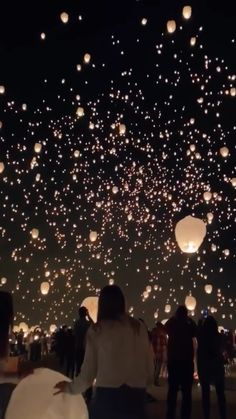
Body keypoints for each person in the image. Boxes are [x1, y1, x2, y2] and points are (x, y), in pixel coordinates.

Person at [54, 285, 154, 419]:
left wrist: (69, 388)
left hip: (108, 397)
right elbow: (149, 366)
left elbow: (88, 375)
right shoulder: (139, 327)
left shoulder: (98, 330)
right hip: (137, 398)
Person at [165, 305, 197, 419]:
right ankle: (185, 415)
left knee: (172, 390)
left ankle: (170, 414)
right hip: (186, 363)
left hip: (174, 362)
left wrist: (173, 317)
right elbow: (196, 330)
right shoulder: (188, 326)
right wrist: (189, 319)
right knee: (186, 393)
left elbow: (165, 326)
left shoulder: (172, 324)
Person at [197, 316, 226, 419]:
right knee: (220, 395)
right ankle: (223, 415)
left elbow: (198, 331)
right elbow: (222, 348)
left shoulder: (201, 337)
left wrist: (200, 323)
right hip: (217, 367)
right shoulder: (218, 337)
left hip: (205, 368)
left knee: (206, 395)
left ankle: (206, 415)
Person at [74, 307, 92, 376]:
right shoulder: (87, 324)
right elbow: (94, 325)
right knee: (86, 367)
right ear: (85, 313)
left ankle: (78, 381)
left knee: (78, 366)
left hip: (78, 347)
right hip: (86, 347)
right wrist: (89, 316)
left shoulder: (76, 323)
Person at [151, 321, 167, 385]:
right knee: (157, 367)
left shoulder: (154, 334)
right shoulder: (162, 334)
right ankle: (155, 380)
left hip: (156, 352)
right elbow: (164, 344)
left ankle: (154, 379)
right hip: (159, 352)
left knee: (155, 367)